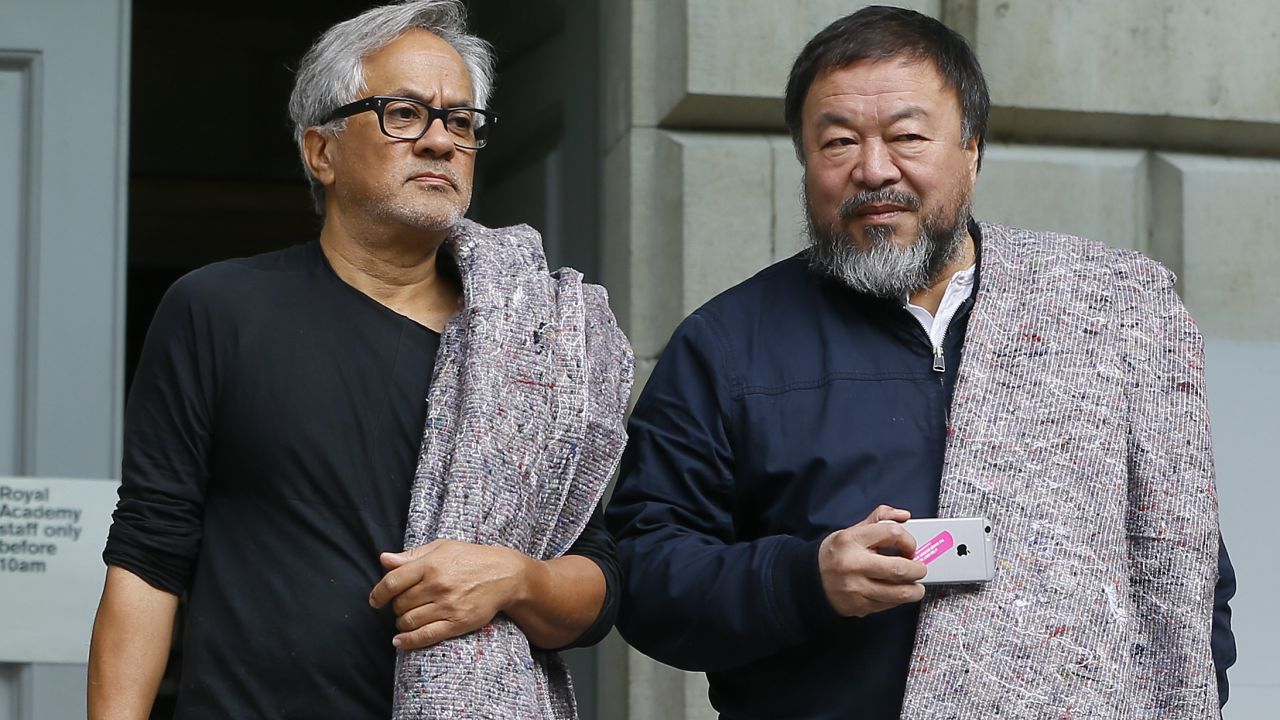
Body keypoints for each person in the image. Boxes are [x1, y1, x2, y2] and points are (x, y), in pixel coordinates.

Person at [605, 6, 1235, 719]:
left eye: (906, 136)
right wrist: (807, 578)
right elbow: (646, 574)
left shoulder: (1108, 311)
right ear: (806, 159)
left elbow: (1186, 563)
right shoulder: (728, 345)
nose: (874, 170)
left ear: (972, 147)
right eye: (838, 142)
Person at [87, 1, 632, 718]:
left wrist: (518, 580)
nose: (440, 141)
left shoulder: (536, 343)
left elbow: (597, 592)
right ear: (322, 152)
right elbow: (147, 560)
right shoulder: (218, 310)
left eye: (461, 121)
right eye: (403, 113)